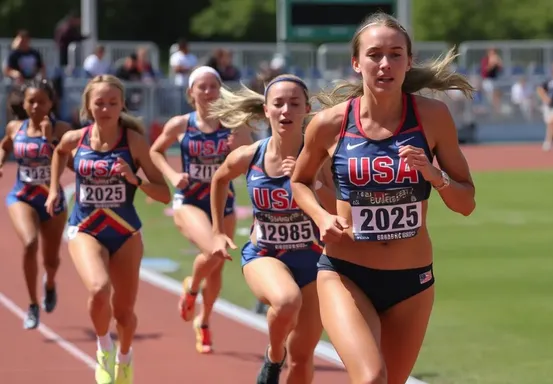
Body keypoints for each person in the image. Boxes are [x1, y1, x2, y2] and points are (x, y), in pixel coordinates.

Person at [289, 12, 477, 383]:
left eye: (395, 54)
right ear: (357, 63)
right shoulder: (330, 124)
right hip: (346, 273)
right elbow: (300, 182)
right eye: (374, 54)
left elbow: (466, 202)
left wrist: (435, 176)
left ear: (409, 62)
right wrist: (322, 218)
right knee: (371, 377)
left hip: (412, 280)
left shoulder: (433, 118)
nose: (385, 64)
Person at [45, 74, 171, 384]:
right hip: (85, 227)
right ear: (88, 106)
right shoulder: (76, 139)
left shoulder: (134, 142)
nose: (106, 108)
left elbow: (164, 193)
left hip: (125, 232)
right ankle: (104, 349)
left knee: (124, 314)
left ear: (122, 105)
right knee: (99, 289)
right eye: (99, 103)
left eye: (113, 103)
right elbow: (59, 152)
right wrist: (53, 190)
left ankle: (125, 358)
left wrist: (135, 180)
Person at [210, 75, 336, 384]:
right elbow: (219, 180)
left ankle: (283, 358)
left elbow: (338, 208)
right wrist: (217, 230)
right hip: (265, 254)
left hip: (313, 261)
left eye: (294, 104)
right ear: (266, 110)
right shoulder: (249, 156)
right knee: (286, 301)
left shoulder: (322, 158)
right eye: (278, 104)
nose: (285, 111)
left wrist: (312, 181)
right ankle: (273, 356)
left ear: (306, 109)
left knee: (304, 358)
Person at [149, 66, 252, 354]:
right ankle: (191, 288)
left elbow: (250, 162)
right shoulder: (181, 124)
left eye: (213, 87)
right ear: (190, 92)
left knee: (217, 268)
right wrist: (171, 177)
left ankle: (203, 322)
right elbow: (155, 151)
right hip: (189, 199)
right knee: (214, 251)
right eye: (202, 87)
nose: (208, 93)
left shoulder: (234, 124)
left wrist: (238, 145)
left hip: (223, 203)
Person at [0, 79, 72, 329]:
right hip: (22, 196)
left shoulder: (61, 128)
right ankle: (32, 304)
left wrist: (50, 140)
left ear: (51, 103)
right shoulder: (14, 127)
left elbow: (70, 163)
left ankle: (49, 284)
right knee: (30, 243)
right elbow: (5, 146)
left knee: (51, 260)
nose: (36, 106)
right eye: (31, 101)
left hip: (52, 198)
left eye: (42, 101)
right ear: (24, 103)